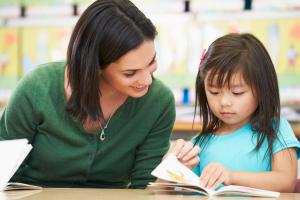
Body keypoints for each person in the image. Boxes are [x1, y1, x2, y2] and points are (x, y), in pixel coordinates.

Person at [0, 0, 199, 189]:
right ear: (94, 67)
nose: (147, 80)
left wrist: (169, 173)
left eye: (151, 63)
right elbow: (4, 173)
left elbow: (144, 188)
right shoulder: (37, 88)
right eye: (130, 73)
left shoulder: (158, 101)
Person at [193, 33, 300, 192]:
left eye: (237, 92)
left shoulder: (275, 129)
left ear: (261, 88)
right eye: (214, 92)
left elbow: (286, 181)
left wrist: (231, 176)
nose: (224, 102)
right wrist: (176, 165)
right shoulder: (199, 143)